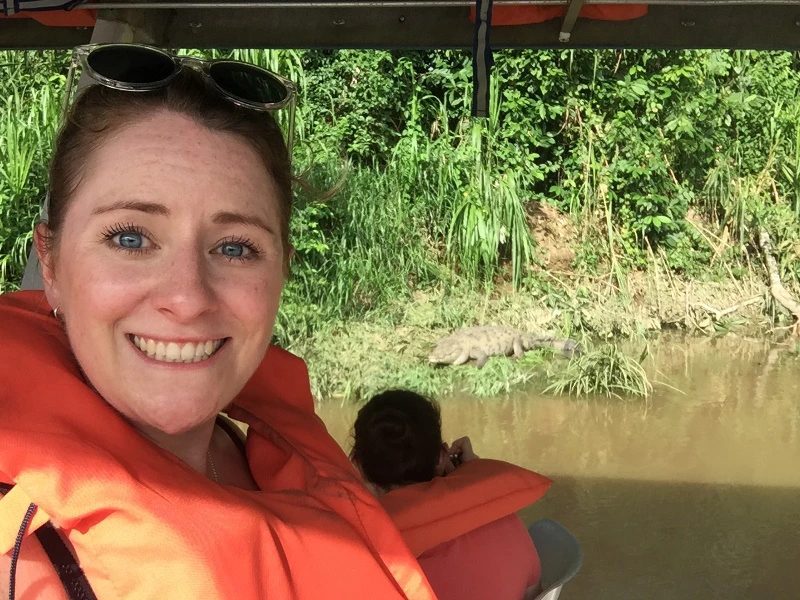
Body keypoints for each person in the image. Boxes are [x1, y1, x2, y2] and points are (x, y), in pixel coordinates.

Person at [0, 44, 435, 600]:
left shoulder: (257, 453)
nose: (187, 298)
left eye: (234, 247)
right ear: (51, 263)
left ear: (281, 271)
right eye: (130, 238)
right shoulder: (21, 556)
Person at [351, 389, 554, 600]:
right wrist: (473, 476)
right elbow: (535, 591)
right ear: (441, 457)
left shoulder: (369, 553)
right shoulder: (500, 514)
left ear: (359, 467)